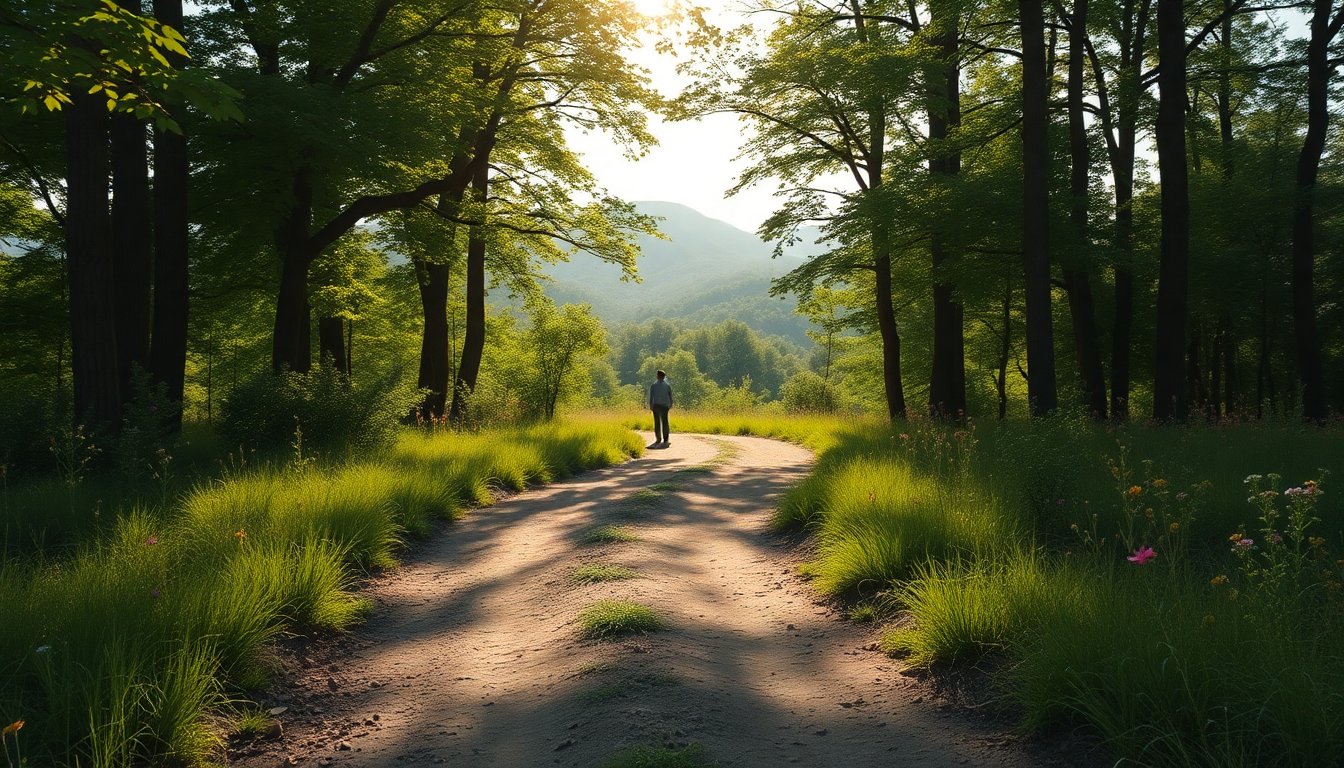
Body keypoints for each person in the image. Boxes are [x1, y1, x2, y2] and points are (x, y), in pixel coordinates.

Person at [648, 369, 673, 447]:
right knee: (665, 422)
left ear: (657, 376)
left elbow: (651, 397)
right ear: (664, 376)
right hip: (665, 406)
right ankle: (665, 439)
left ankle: (658, 439)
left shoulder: (654, 385)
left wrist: (651, 405)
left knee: (657, 423)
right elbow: (670, 396)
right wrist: (670, 404)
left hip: (656, 405)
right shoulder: (667, 386)